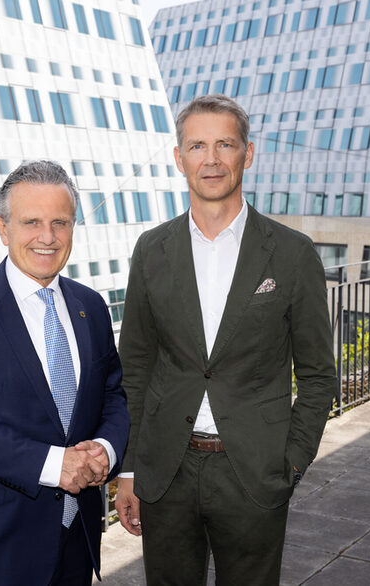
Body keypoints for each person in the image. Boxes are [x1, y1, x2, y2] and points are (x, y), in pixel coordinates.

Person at [115, 94, 337, 585]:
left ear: (248, 154)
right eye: (197, 145)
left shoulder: (292, 254)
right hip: (166, 473)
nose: (211, 159)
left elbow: (320, 376)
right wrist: (128, 469)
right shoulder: (151, 250)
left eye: (225, 145)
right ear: (179, 158)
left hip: (254, 472)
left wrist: (291, 464)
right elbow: (135, 367)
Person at [0, 160, 129, 586]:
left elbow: (112, 396)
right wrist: (54, 465)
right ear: (2, 227)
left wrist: (106, 448)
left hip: (76, 540)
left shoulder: (91, 307)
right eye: (31, 221)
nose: (47, 237)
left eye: (60, 222)